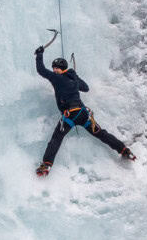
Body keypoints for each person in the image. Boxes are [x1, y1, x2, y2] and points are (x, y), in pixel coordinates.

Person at [33, 47, 135, 177]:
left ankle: (46, 164)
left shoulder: (57, 78)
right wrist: (75, 77)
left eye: (56, 68)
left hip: (70, 115)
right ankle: (124, 150)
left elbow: (41, 70)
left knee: (56, 139)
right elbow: (85, 88)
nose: (54, 70)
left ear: (62, 68)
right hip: (83, 114)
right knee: (101, 133)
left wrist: (39, 54)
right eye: (53, 68)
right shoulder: (72, 78)